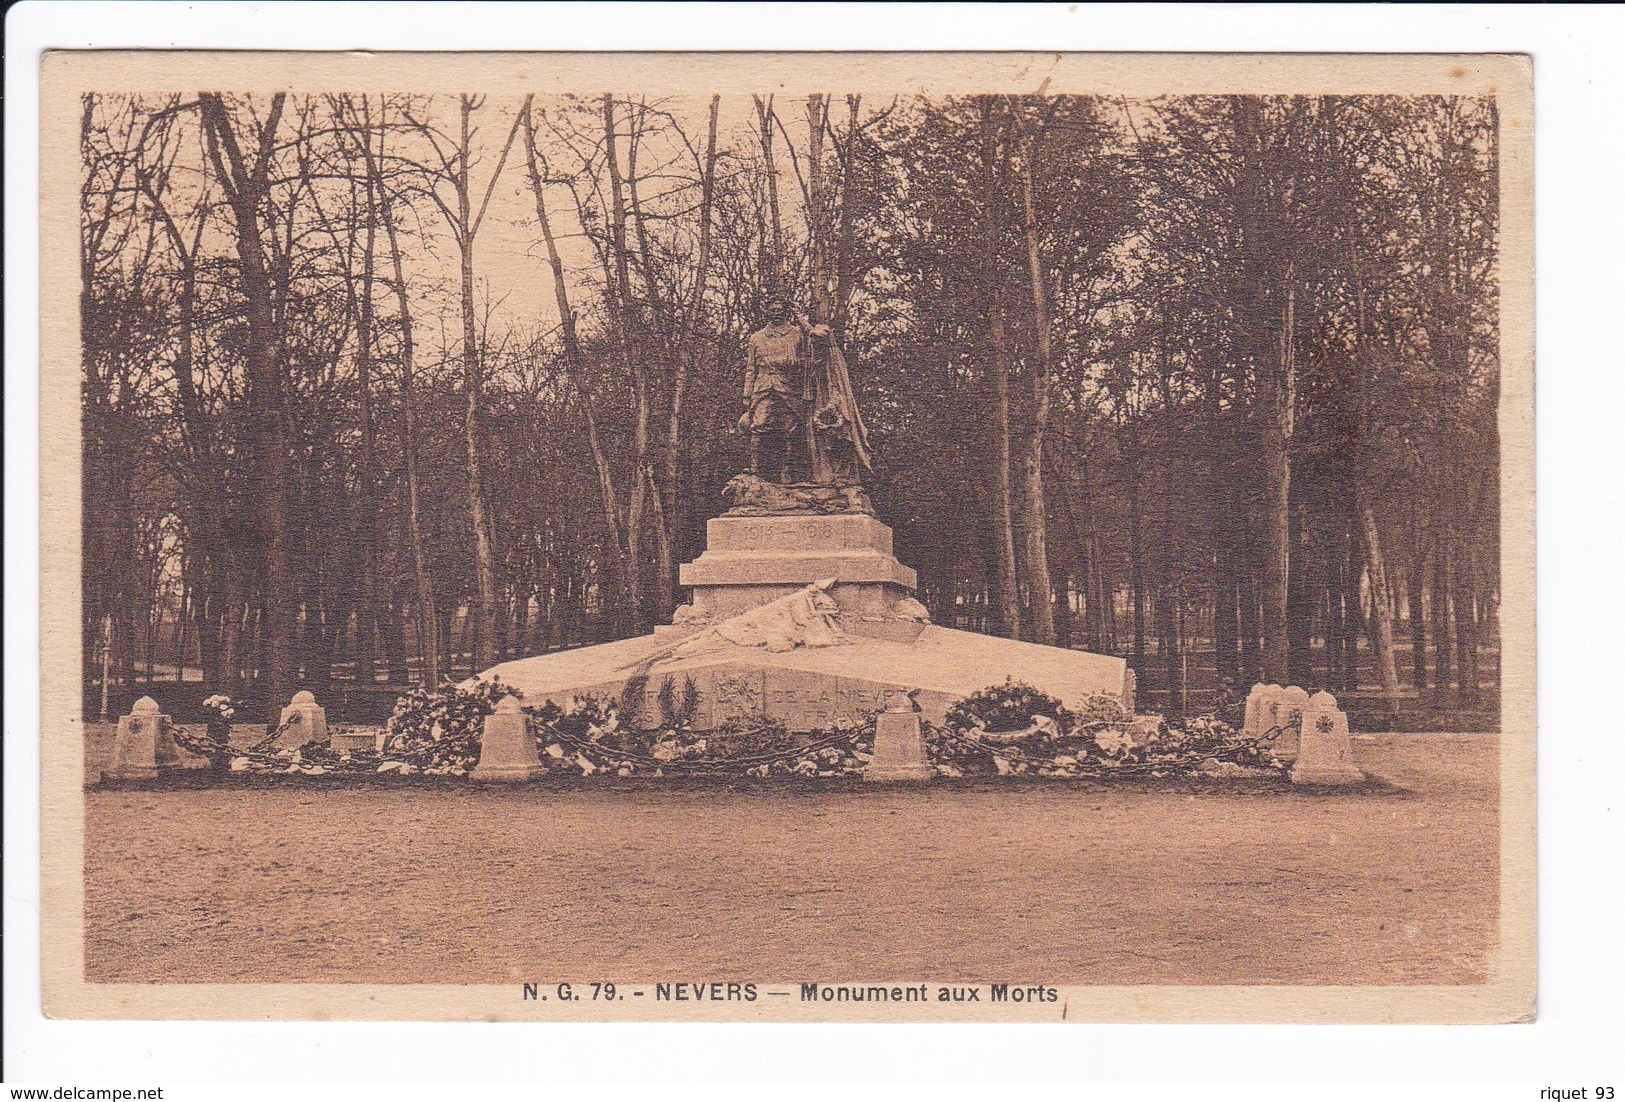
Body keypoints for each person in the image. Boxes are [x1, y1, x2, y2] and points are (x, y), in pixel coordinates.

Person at [739, 297, 872, 485]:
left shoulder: (797, 335)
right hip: (763, 385)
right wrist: (747, 394)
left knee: (791, 428)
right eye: (772, 309)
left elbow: (813, 350)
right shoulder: (757, 338)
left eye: (779, 309)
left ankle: (789, 472)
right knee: (759, 424)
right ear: (766, 312)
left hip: (790, 385)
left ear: (786, 311)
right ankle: (755, 468)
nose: (775, 312)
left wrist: (803, 323)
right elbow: (751, 368)